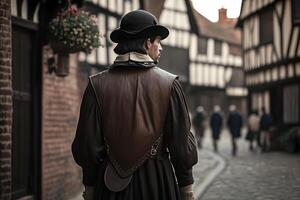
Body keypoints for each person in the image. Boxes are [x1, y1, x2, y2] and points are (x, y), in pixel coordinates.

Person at [71, 10, 198, 200]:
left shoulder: (96, 85)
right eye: (158, 41)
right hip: (158, 182)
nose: (161, 47)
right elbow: (180, 146)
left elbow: (87, 146)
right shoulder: (170, 84)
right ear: (147, 43)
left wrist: (90, 188)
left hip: (109, 186)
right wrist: (186, 188)